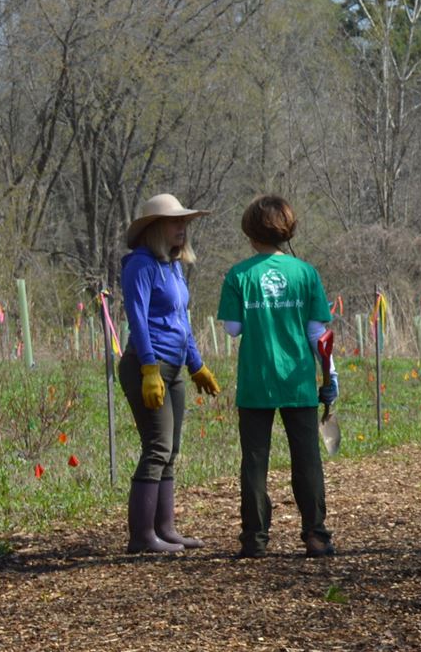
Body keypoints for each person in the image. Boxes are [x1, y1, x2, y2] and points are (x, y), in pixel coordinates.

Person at [216, 195, 337, 557]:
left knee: (254, 461)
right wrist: (330, 376)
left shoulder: (239, 275)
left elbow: (233, 329)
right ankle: (316, 535)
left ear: (250, 232)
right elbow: (320, 335)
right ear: (288, 230)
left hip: (256, 382)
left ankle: (254, 539)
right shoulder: (306, 273)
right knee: (307, 459)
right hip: (298, 380)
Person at [116, 193, 221, 553]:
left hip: (174, 367)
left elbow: (182, 322)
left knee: (171, 449)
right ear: (155, 228)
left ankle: (166, 528)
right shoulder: (140, 266)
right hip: (149, 365)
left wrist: (196, 365)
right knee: (157, 447)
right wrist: (148, 368)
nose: (182, 228)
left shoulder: (172, 266)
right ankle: (142, 537)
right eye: (176, 222)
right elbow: (138, 320)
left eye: (185, 223)